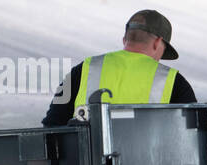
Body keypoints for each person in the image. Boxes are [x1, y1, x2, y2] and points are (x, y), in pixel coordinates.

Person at [41, 10, 193, 125]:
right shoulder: (174, 81)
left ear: (125, 39)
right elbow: (194, 134)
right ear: (157, 42)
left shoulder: (84, 69)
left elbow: (52, 125)